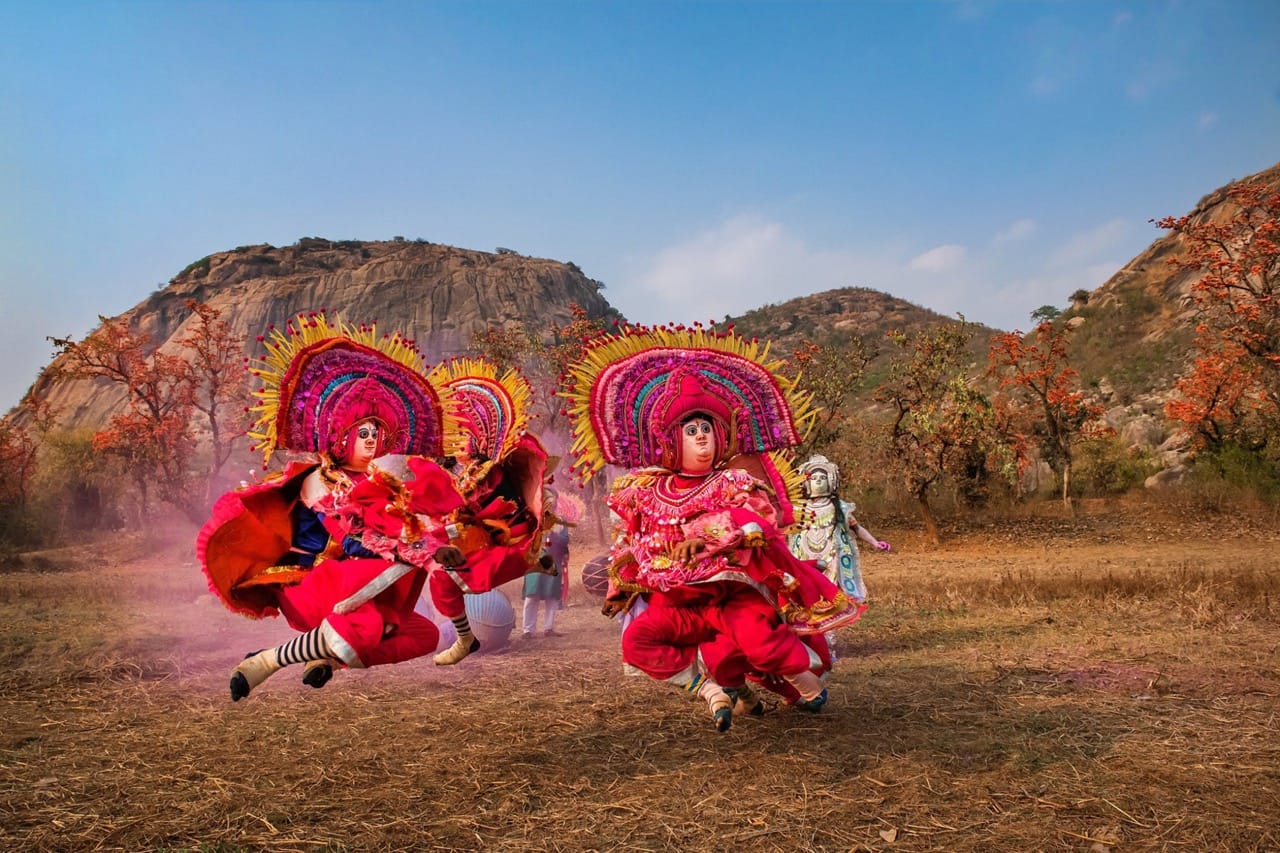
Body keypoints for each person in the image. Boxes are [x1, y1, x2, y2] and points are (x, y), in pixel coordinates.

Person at [561, 325, 866, 731]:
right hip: (679, 603)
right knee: (637, 642)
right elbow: (632, 541)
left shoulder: (731, 482)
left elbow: (760, 520)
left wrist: (704, 536)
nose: (702, 438)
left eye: (707, 428)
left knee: (759, 647)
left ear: (721, 434)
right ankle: (709, 692)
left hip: (731, 596)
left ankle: (805, 686)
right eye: (691, 431)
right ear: (671, 440)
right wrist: (621, 580)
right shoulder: (645, 491)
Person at [196, 317, 462, 700]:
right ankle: (265, 661)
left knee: (425, 635)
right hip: (315, 585)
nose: (372, 442)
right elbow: (351, 539)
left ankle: (329, 657)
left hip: (362, 585)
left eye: (378, 434)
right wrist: (416, 547)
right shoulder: (319, 482)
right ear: (341, 436)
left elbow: (404, 526)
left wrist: (431, 534)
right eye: (363, 433)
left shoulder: (379, 483)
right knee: (372, 618)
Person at [423, 358, 553, 665]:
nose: (455, 444)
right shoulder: (455, 470)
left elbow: (468, 502)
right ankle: (465, 636)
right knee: (439, 570)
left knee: (453, 572)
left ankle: (465, 636)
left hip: (495, 533)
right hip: (469, 534)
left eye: (461, 436)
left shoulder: (486, 469)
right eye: (451, 437)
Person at [789, 454, 890, 605]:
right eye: (814, 478)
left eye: (822, 478)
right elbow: (785, 530)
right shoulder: (798, 508)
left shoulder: (840, 508)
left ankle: (832, 610)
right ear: (807, 482)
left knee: (832, 587)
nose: (818, 481)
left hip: (832, 553)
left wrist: (875, 542)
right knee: (807, 586)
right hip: (805, 552)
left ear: (830, 481)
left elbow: (857, 528)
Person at [523, 508, 569, 638]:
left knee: (552, 596)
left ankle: (548, 628)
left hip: (554, 561)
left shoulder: (560, 521)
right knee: (532, 595)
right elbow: (525, 538)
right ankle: (528, 630)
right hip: (535, 561)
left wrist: (554, 534)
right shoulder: (532, 518)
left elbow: (565, 541)